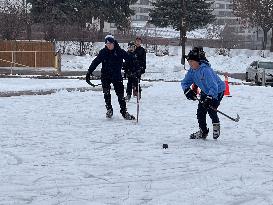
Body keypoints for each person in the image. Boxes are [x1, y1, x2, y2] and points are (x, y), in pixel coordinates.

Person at [86, 35, 135, 120]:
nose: (109, 45)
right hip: (105, 76)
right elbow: (96, 62)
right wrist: (89, 72)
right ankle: (109, 109)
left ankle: (124, 112)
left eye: (110, 43)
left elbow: (130, 60)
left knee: (120, 95)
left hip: (117, 76)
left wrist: (134, 70)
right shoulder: (103, 52)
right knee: (106, 93)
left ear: (113, 43)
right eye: (107, 43)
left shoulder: (119, 51)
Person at [181, 48, 226, 139]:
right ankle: (203, 131)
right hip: (206, 91)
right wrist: (187, 90)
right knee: (200, 112)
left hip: (218, 90)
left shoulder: (206, 70)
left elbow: (214, 86)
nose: (190, 64)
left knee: (210, 109)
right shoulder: (192, 71)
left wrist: (209, 98)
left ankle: (216, 125)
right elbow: (184, 83)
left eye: (192, 61)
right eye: (189, 62)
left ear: (197, 61)